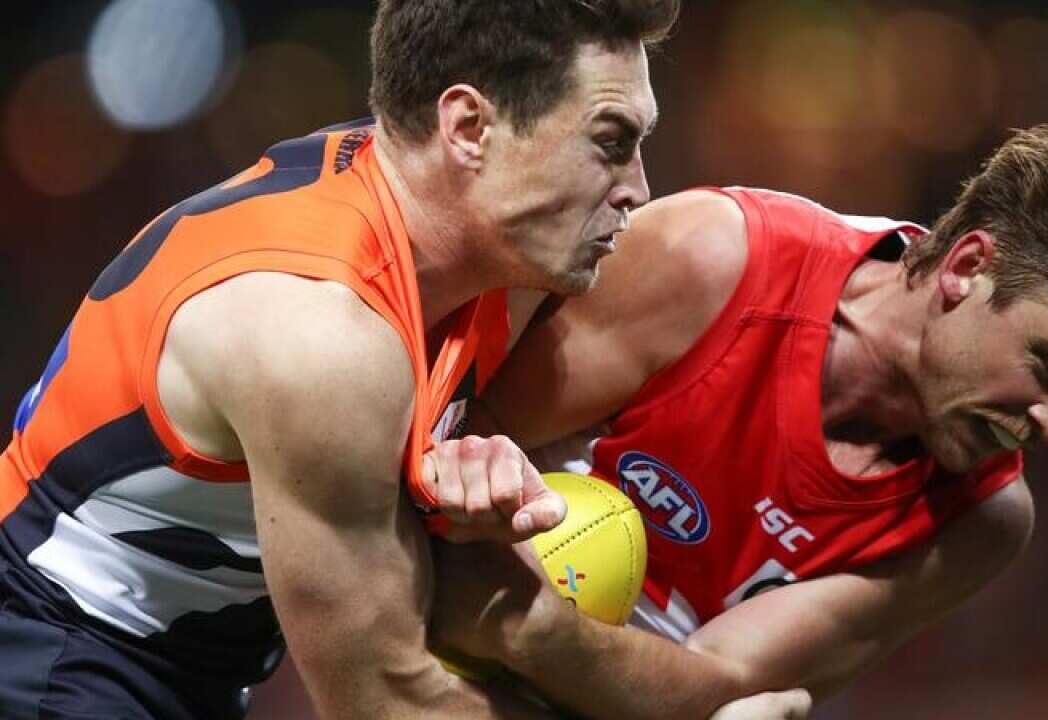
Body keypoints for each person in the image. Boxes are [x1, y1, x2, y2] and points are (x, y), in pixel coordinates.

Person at [426, 119, 1048, 718]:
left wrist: (528, 627)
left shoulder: (981, 521)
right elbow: (440, 452)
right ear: (967, 266)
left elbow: (721, 687)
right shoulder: (715, 260)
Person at [0, 1, 679, 718]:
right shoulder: (316, 335)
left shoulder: (467, 230)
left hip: (181, 663)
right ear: (469, 129)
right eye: (610, 142)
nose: (638, 187)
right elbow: (384, 703)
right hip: (54, 657)